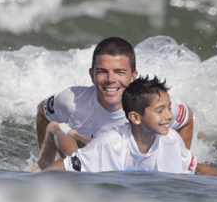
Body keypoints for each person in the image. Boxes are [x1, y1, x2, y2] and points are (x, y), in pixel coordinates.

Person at [34, 37, 194, 170]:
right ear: (92, 75)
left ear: (133, 76)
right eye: (102, 72)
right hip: (88, 153)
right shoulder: (72, 101)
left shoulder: (158, 106)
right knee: (76, 160)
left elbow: (187, 120)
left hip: (106, 148)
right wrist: (45, 159)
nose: (110, 80)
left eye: (119, 72)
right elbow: (43, 112)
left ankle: (79, 137)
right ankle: (55, 131)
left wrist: (178, 163)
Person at [40, 76, 217, 176]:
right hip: (98, 146)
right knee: (73, 155)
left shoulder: (171, 139)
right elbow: (64, 165)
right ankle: (56, 130)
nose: (169, 116)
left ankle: (79, 137)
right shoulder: (110, 144)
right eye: (160, 110)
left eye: (169, 109)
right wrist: (32, 185)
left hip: (103, 144)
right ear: (136, 118)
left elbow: (194, 168)